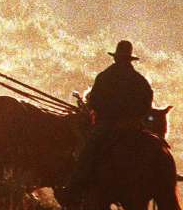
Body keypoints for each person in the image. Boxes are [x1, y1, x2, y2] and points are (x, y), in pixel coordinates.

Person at [60, 40, 155, 200]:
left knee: (88, 150)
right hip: (134, 127)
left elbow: (95, 102)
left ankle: (72, 189)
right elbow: (147, 103)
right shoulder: (140, 80)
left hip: (108, 125)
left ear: (116, 58)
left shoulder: (105, 77)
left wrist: (101, 113)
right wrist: (136, 118)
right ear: (129, 59)